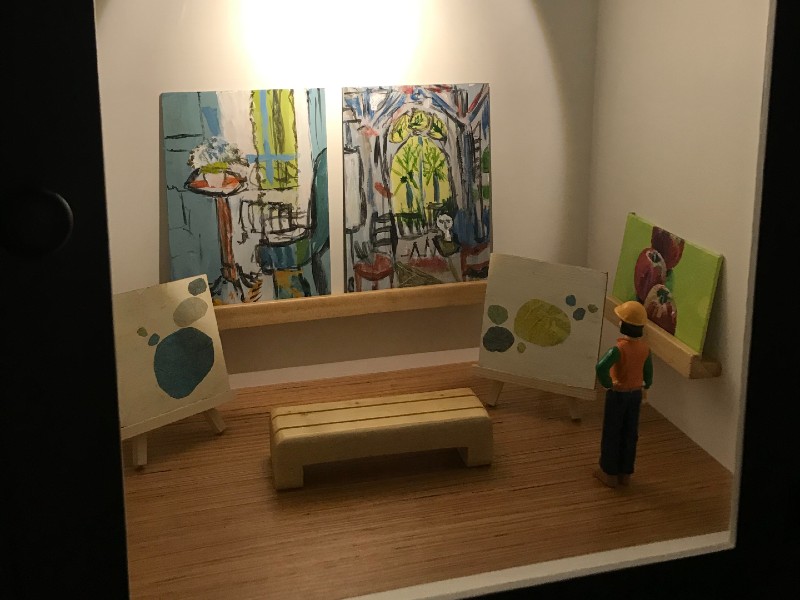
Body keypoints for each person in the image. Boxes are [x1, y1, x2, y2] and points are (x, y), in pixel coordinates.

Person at [594, 300, 654, 488]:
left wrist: (607, 383)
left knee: (612, 432)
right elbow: (648, 373)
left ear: (624, 325)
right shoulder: (645, 349)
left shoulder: (618, 350)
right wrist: (646, 385)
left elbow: (601, 367)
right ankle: (625, 473)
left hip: (618, 394)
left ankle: (609, 472)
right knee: (630, 433)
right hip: (635, 395)